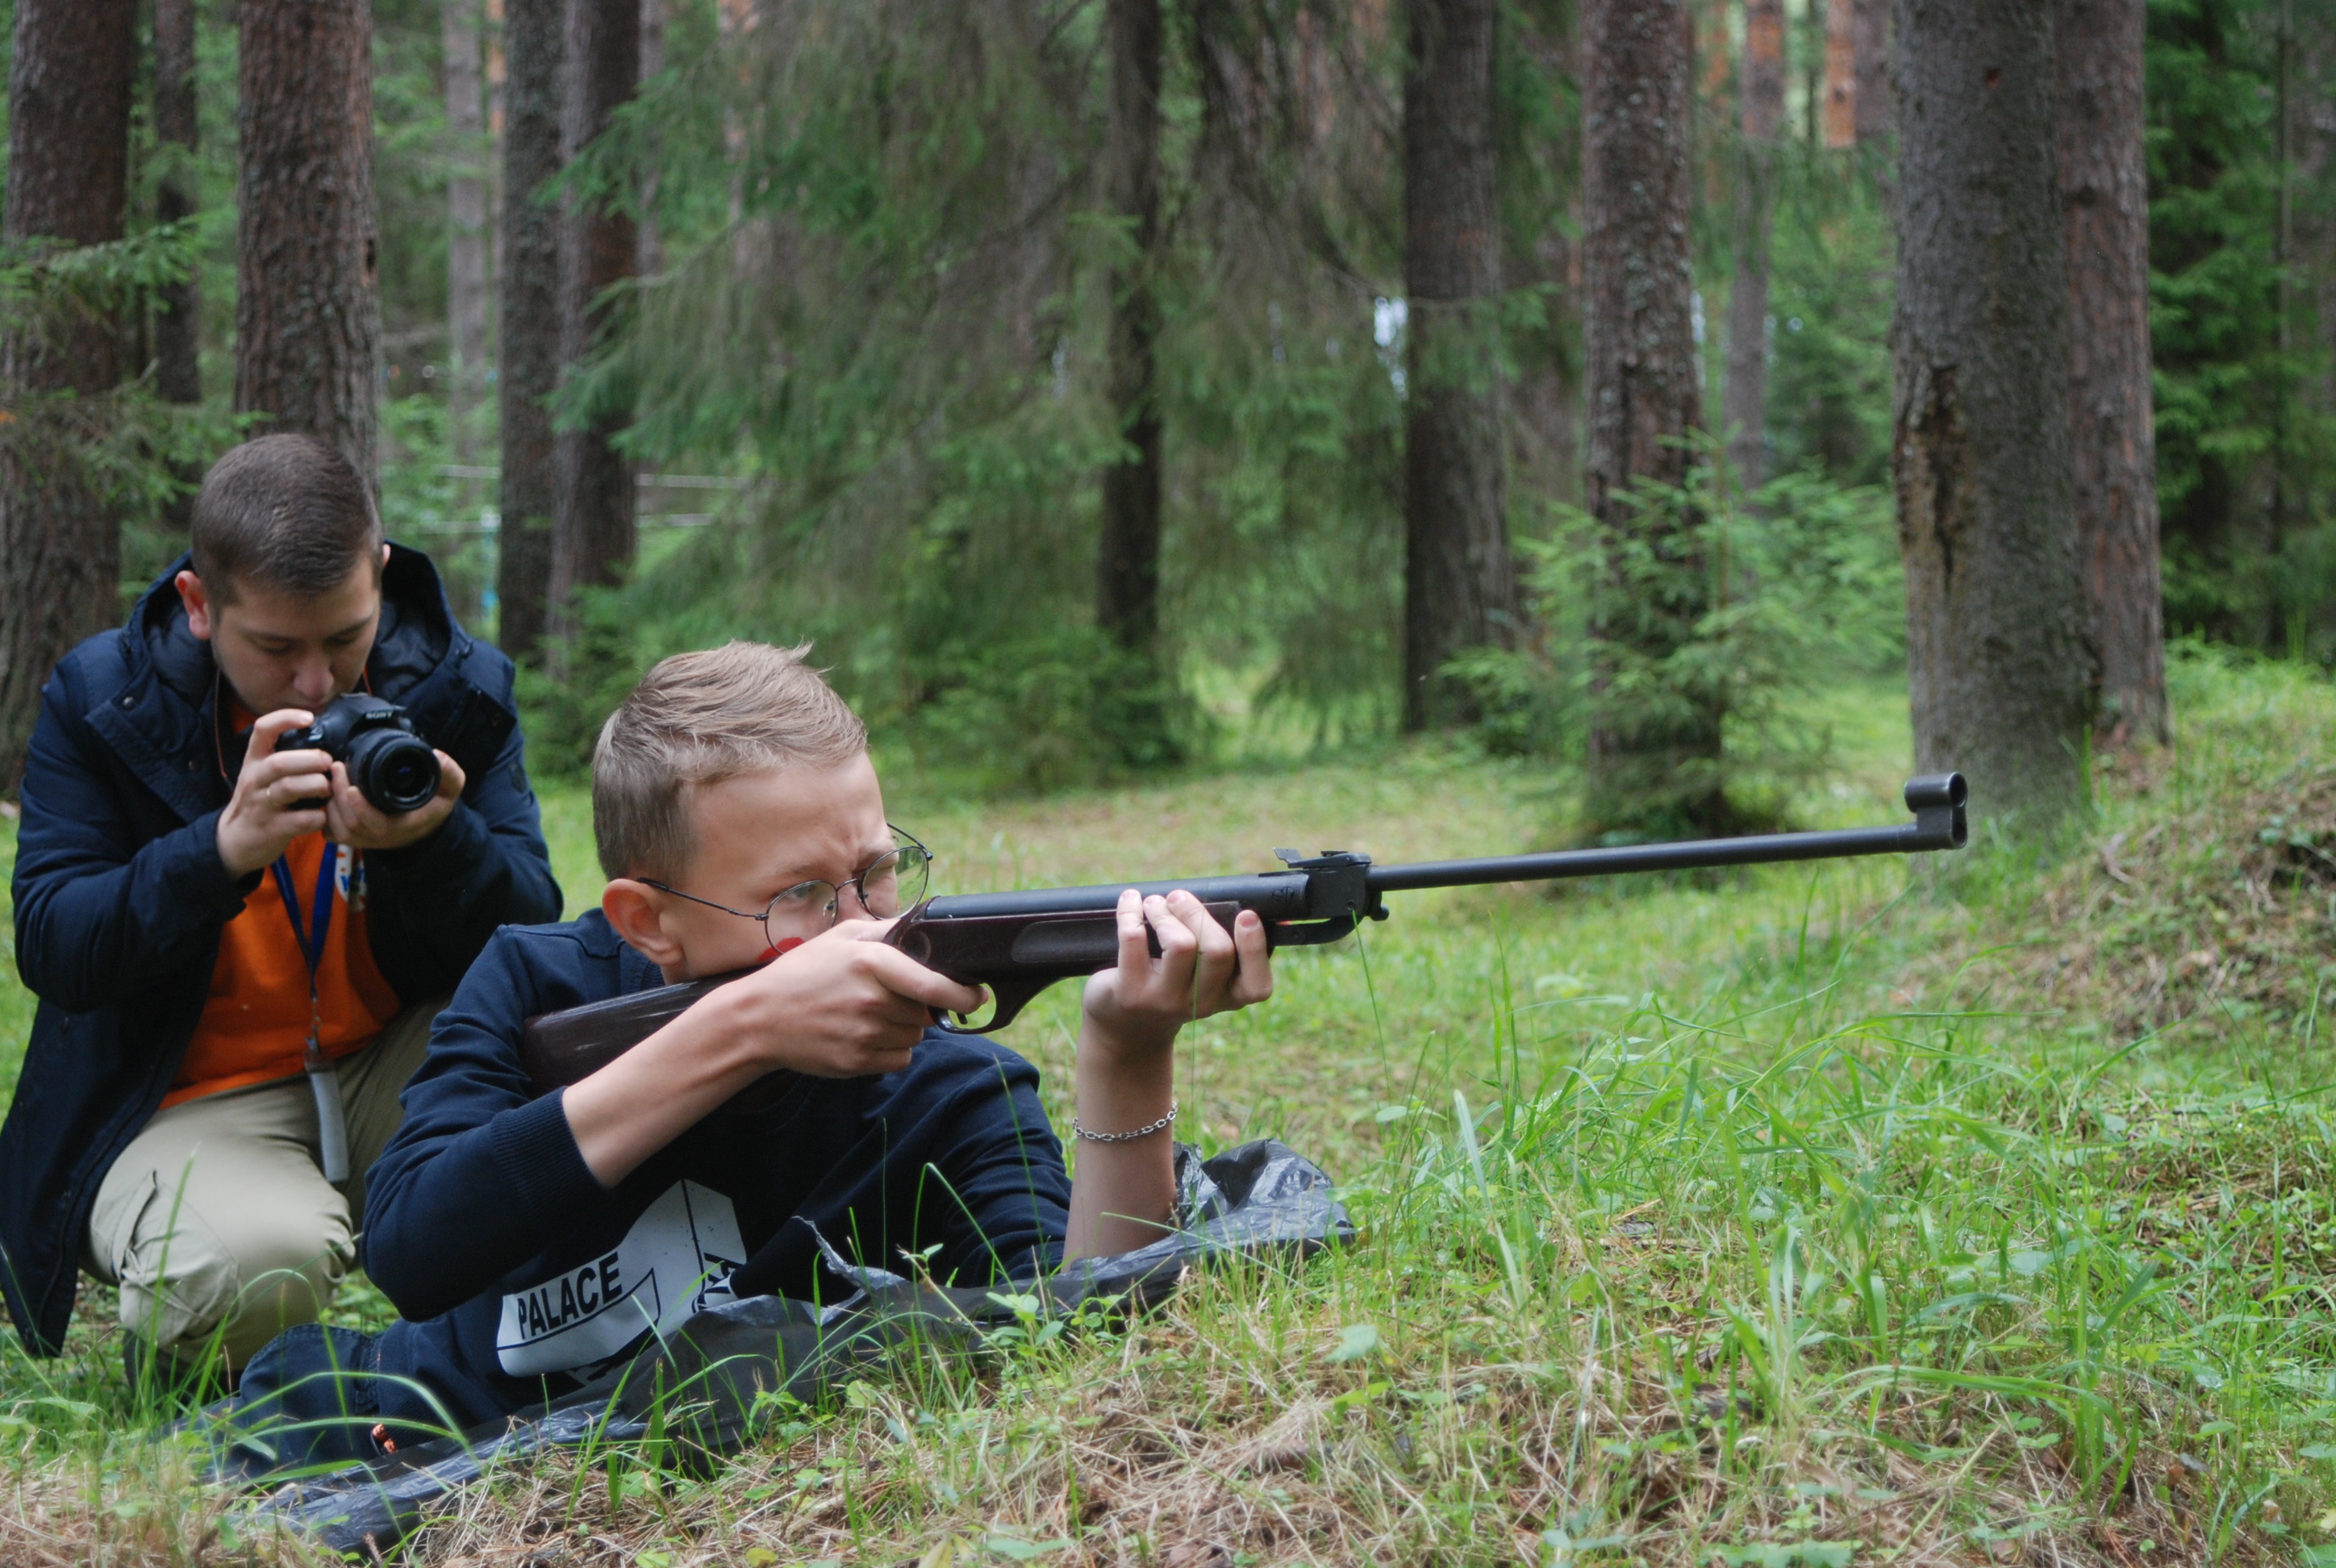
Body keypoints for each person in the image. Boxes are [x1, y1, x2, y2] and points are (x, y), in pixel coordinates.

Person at [225, 640, 1272, 1460]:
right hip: (449, 1414)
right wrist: (743, 1030)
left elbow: (1081, 1339)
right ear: (647, 923)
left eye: (876, 873)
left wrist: (1128, 1052)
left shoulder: (948, 1086)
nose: (864, 929)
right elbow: (412, 1252)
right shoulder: (541, 984)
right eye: (801, 896)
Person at [2, 434, 564, 1373]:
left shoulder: (455, 687)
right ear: (198, 605)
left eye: (347, 637)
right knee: (257, 1269)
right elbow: (56, 946)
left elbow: (530, 932)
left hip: (389, 1058)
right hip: (186, 1095)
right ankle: (212, 1315)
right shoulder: (105, 699)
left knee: (572, 1128)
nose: (317, 681)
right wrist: (219, 850)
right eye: (275, 648)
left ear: (380, 573)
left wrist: (432, 845)